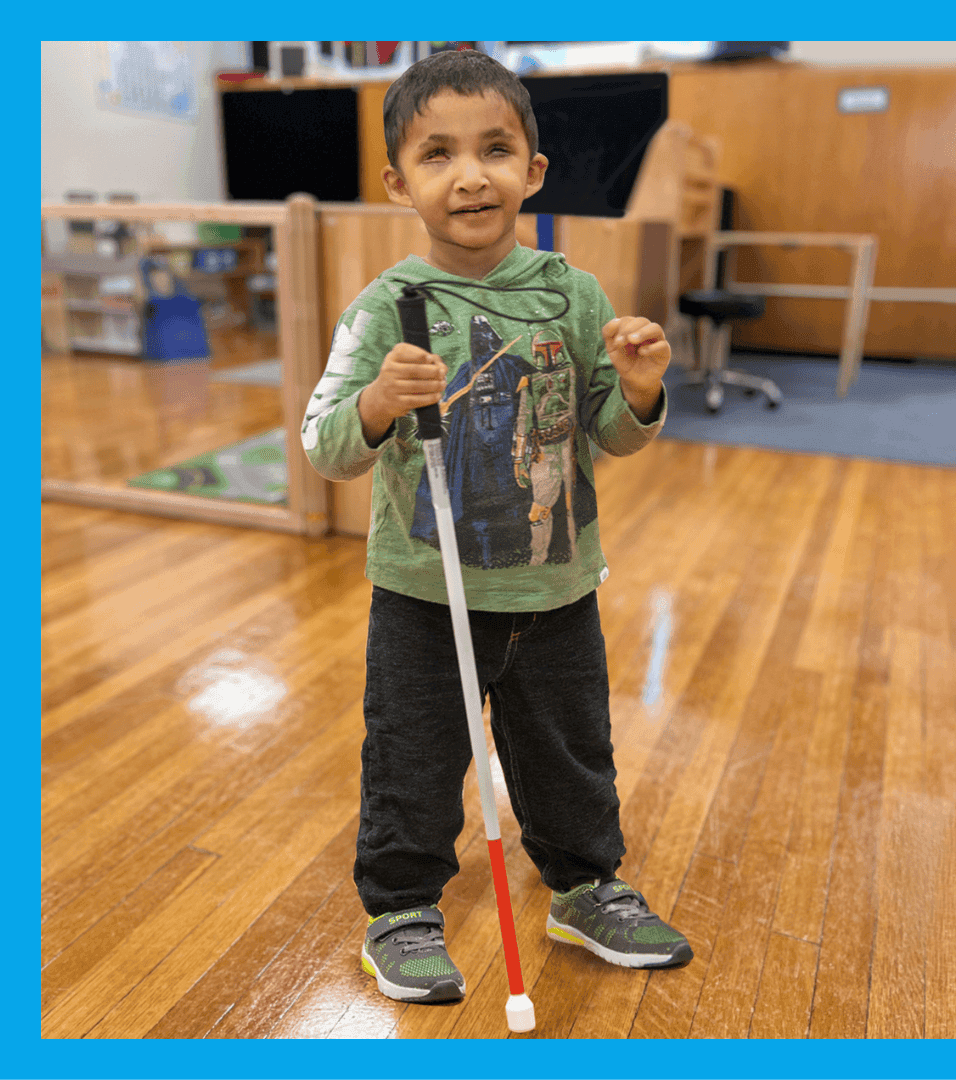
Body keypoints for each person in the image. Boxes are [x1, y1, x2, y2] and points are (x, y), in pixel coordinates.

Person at [302, 48, 692, 1005]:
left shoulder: (574, 295)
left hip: (554, 585)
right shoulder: (384, 308)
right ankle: (400, 909)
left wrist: (640, 391)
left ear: (534, 170)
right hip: (425, 594)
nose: (470, 175)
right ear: (399, 182)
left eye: (495, 150)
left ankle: (583, 884)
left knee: (569, 748)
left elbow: (605, 433)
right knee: (413, 754)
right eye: (437, 155)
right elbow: (324, 445)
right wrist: (380, 407)